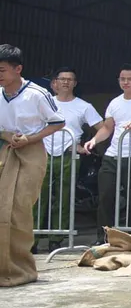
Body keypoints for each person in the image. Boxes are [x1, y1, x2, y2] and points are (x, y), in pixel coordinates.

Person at [0, 45, 65, 286]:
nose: (0, 75)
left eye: (3, 70)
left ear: (18, 69)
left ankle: (20, 268)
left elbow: (57, 122)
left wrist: (30, 138)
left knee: (19, 209)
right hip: (5, 150)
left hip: (31, 152)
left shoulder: (37, 93)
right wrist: (7, 136)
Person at [81, 64, 131, 244]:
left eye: (130, 79)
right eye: (122, 79)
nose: (125, 82)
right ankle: (104, 237)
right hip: (112, 154)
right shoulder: (115, 102)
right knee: (106, 195)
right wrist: (94, 140)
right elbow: (108, 128)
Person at [36, 67, 101, 248]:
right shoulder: (44, 102)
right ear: (54, 83)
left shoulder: (84, 106)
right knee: (37, 197)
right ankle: (31, 238)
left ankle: (56, 239)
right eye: (62, 79)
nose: (65, 82)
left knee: (65, 198)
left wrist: (87, 144)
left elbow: (104, 127)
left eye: (70, 79)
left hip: (68, 155)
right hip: (42, 153)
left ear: (75, 83)